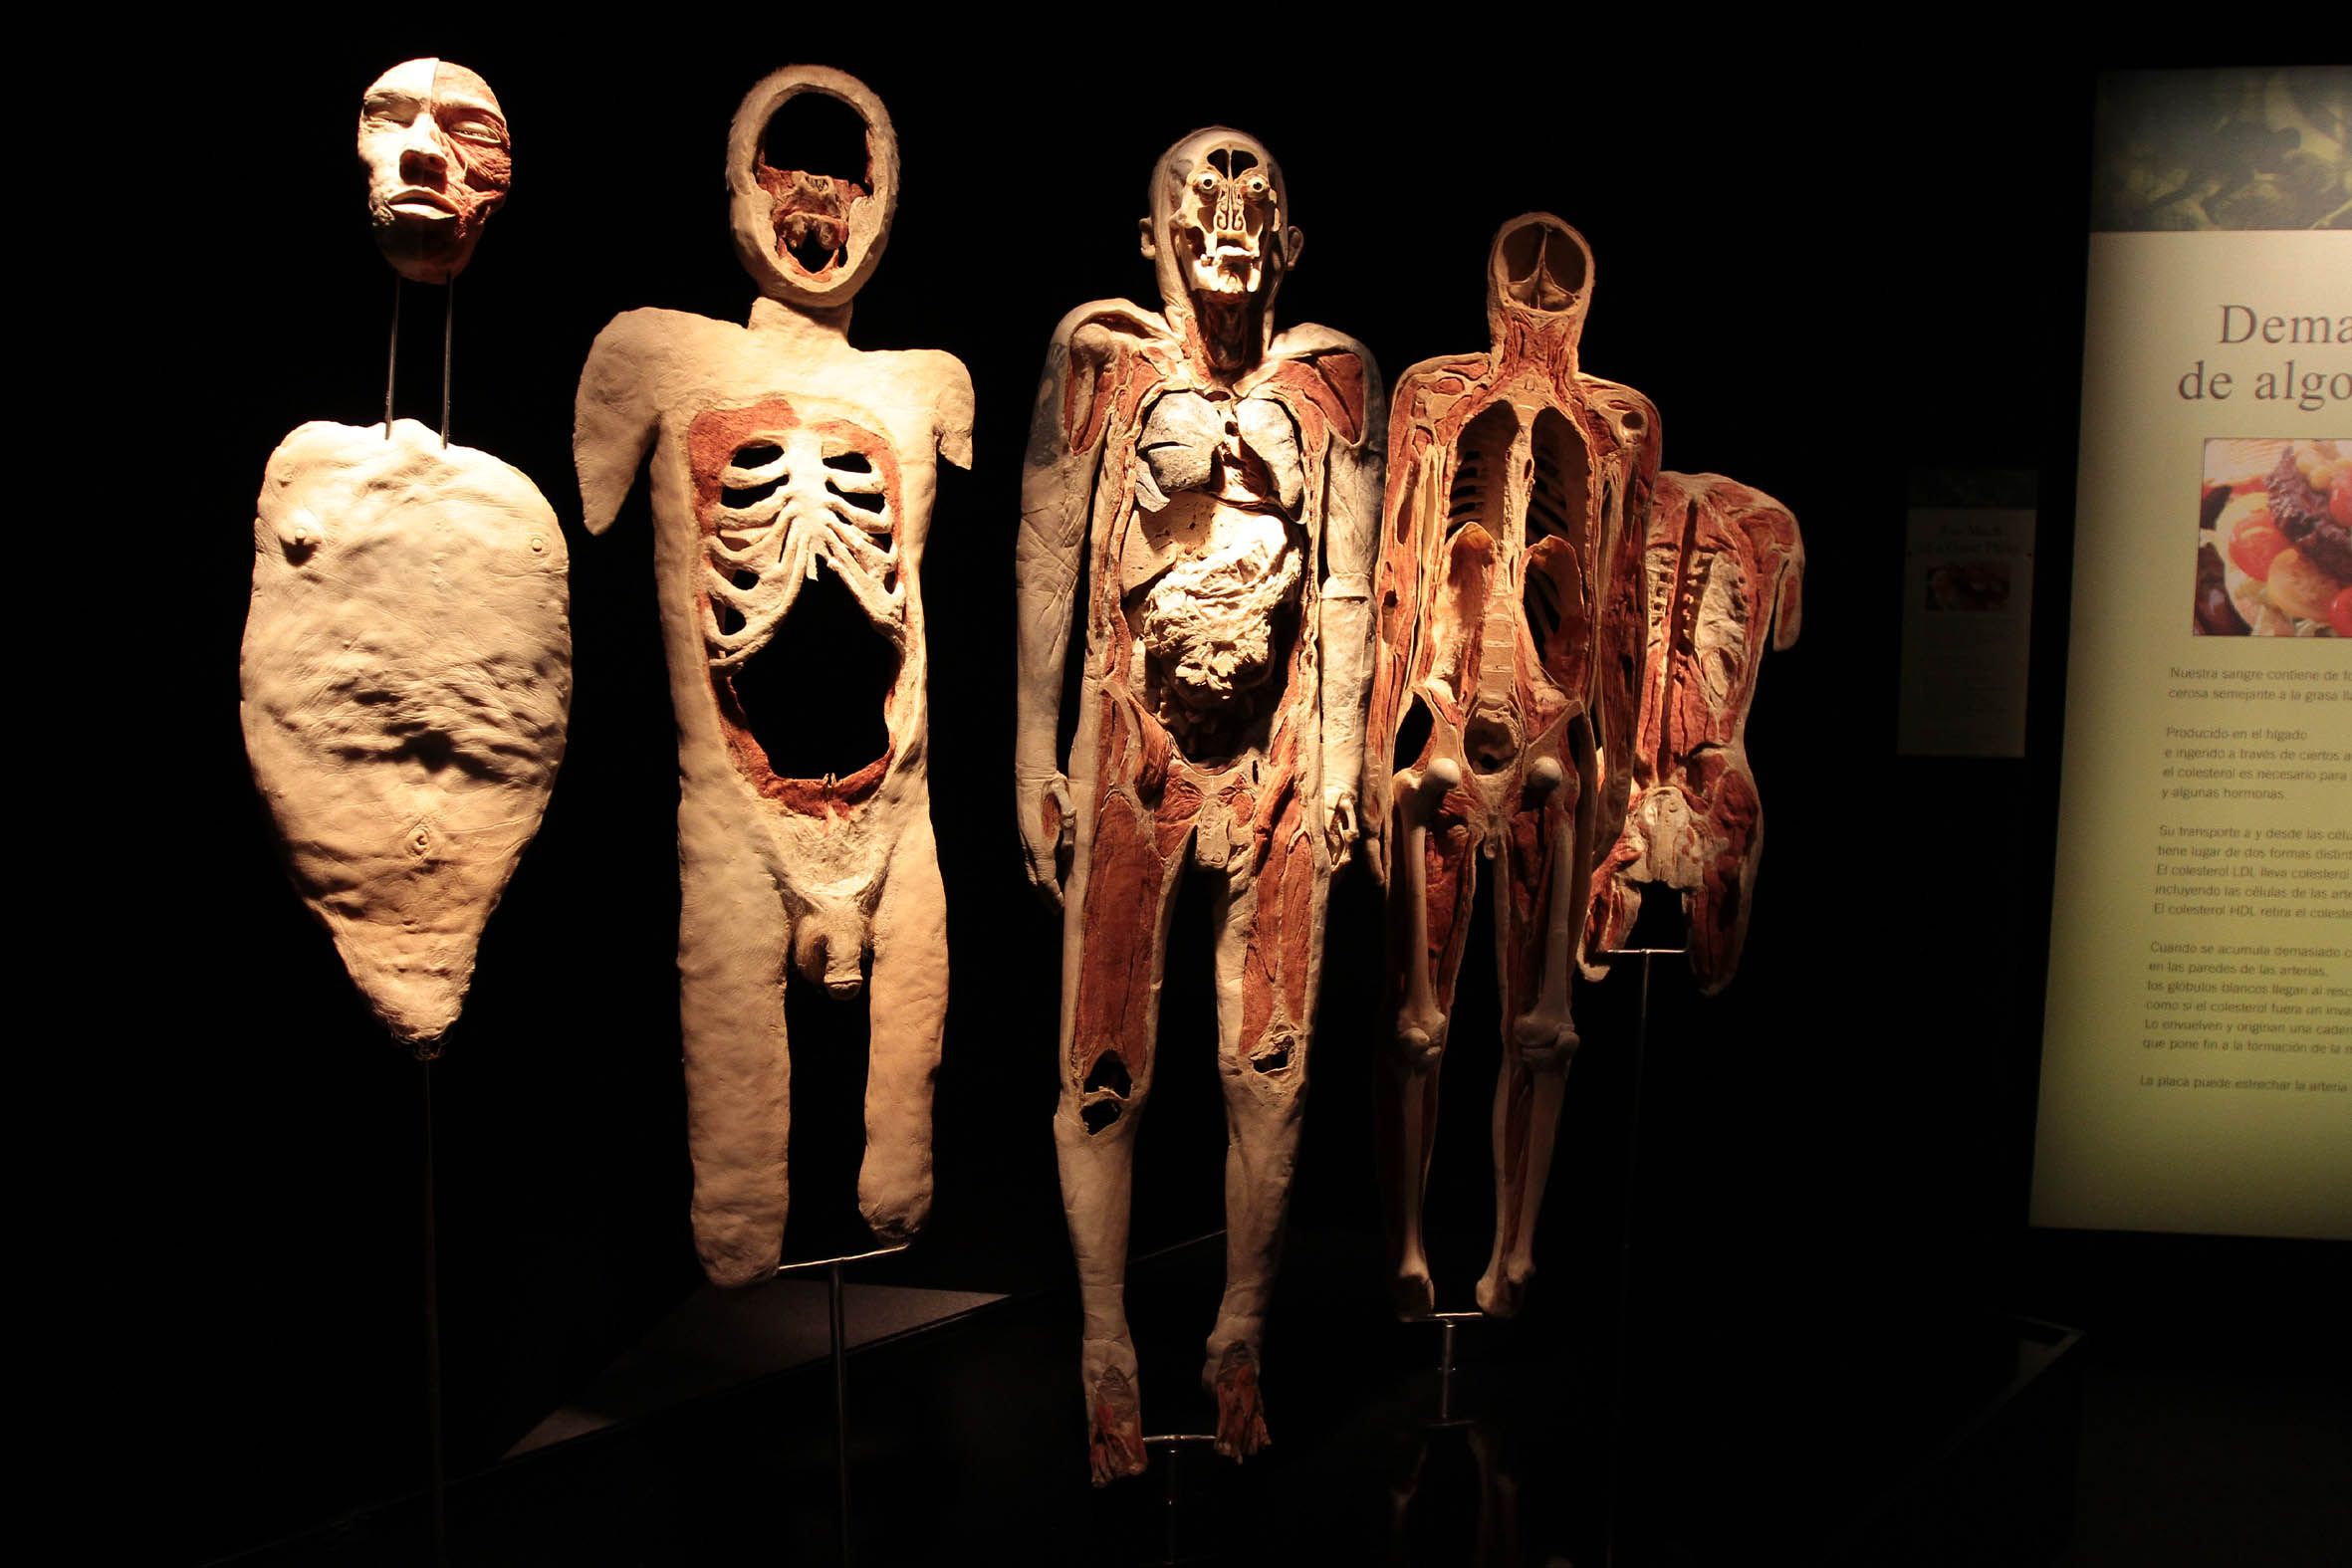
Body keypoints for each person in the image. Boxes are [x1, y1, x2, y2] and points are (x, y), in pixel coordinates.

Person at [1013, 127, 1383, 1483]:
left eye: (1255, 198)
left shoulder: (1333, 378)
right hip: (1133, 744)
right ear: (1153, 230)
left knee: (1269, 1068)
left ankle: (1239, 1342)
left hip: (1275, 757)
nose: (1230, 215)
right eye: (1204, 194)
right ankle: (1107, 1352)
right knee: (1103, 1068)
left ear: (1288, 241)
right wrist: (1031, 752)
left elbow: (1347, 580)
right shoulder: (1103, 358)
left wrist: (1336, 764)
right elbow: (1049, 549)